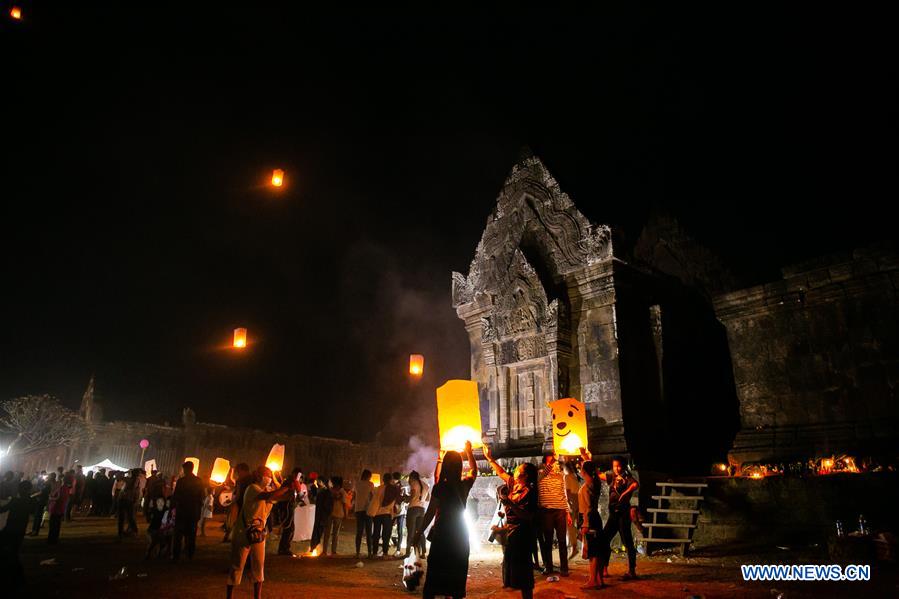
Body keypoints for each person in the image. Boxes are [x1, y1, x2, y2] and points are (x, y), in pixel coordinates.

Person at [412, 440, 478, 599]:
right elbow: (474, 471)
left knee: (435, 578)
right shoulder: (464, 486)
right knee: (456, 578)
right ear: (459, 467)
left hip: (442, 534)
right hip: (460, 535)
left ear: (446, 467)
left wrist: (419, 532)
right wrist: (469, 451)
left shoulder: (439, 487)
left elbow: (430, 513)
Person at [226, 466, 299, 599]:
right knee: (237, 565)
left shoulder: (267, 490)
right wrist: (285, 486)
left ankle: (257, 597)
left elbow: (283, 497)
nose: (270, 478)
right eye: (268, 475)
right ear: (259, 476)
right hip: (243, 532)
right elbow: (271, 495)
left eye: (271, 475)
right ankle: (229, 596)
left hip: (259, 533)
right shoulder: (252, 489)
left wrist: (294, 488)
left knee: (259, 566)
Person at [481, 444, 537, 599]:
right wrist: (489, 458)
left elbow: (528, 516)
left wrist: (510, 504)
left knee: (524, 572)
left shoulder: (529, 492)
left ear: (525, 475)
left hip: (523, 534)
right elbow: (501, 472)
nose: (516, 469)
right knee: (512, 569)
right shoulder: (513, 483)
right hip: (511, 532)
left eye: (520, 468)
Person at [596, 454, 639, 580]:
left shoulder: (627, 477)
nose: (617, 468)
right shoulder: (612, 477)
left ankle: (632, 571)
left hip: (623, 515)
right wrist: (585, 456)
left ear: (624, 466)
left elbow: (635, 485)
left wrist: (625, 492)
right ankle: (604, 568)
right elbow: (599, 475)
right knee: (604, 539)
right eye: (615, 466)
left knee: (627, 542)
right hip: (613, 515)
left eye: (619, 466)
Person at [537, 452, 571, 576]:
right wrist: (551, 464)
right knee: (548, 541)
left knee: (562, 541)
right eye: (551, 462)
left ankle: (564, 568)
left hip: (560, 510)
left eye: (555, 462)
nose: (555, 464)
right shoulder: (540, 474)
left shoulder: (560, 476)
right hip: (546, 511)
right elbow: (542, 476)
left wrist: (567, 512)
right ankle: (549, 567)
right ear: (545, 463)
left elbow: (564, 494)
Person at [577, 458, 604, 590]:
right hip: (595, 518)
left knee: (592, 552)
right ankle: (599, 579)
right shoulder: (595, 483)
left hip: (590, 519)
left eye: (581, 467)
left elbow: (588, 508)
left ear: (584, 471)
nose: (579, 469)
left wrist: (585, 524)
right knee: (596, 550)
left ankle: (593, 580)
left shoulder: (587, 487)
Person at [171, 460, 205, 560]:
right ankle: (190, 553)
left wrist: (172, 509)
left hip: (182, 511)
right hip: (193, 511)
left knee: (178, 534)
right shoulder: (199, 481)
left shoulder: (181, 481)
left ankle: (176, 555)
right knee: (191, 534)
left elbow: (176, 496)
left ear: (185, 469)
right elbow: (202, 496)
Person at [371, 470, 398, 558]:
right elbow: (397, 500)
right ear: (390, 480)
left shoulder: (378, 488)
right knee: (386, 534)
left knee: (376, 533)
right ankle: (385, 553)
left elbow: (374, 500)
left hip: (377, 514)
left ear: (383, 479)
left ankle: (374, 552)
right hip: (387, 514)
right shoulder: (394, 489)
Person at [404, 470, 429, 558]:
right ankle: (422, 553)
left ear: (412, 477)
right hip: (422, 509)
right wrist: (420, 499)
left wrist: (407, 499)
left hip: (413, 509)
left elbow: (412, 495)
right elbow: (428, 498)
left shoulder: (414, 483)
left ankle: (407, 553)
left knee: (411, 531)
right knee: (420, 532)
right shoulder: (425, 485)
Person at [324, 476, 349, 556]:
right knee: (335, 534)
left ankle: (325, 551)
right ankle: (333, 551)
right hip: (338, 514)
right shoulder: (343, 492)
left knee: (327, 533)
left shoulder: (330, 491)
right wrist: (346, 514)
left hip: (330, 513)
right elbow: (345, 504)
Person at [353, 469, 375, 559]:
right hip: (367, 509)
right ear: (368, 476)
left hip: (358, 509)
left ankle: (357, 552)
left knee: (359, 531)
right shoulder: (370, 484)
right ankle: (370, 552)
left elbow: (355, 495)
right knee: (369, 532)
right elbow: (372, 496)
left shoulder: (357, 484)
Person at [309, 475, 333, 554]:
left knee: (320, 530)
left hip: (323, 514)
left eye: (319, 481)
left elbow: (327, 505)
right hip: (319, 514)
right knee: (317, 530)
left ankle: (318, 547)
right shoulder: (320, 491)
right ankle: (314, 546)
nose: (318, 483)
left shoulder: (326, 492)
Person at [563, 461, 581, 560]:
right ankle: (579, 541)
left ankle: (574, 547)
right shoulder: (575, 476)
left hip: (571, 501)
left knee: (569, 525)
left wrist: (567, 504)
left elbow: (567, 492)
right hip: (577, 501)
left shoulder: (566, 477)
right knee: (573, 525)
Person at [47, 474, 72, 544]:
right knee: (57, 525)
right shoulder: (67, 488)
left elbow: (58, 498)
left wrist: (51, 498)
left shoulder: (62, 488)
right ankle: (54, 539)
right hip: (61, 509)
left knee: (53, 525)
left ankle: (51, 540)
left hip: (56, 508)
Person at [117, 470, 140, 539]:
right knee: (128, 517)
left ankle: (122, 532)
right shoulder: (134, 480)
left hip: (126, 499)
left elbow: (118, 477)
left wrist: (125, 472)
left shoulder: (131, 480)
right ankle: (131, 531)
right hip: (127, 500)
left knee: (125, 517)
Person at [30, 472, 53, 536]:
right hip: (40, 501)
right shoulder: (45, 483)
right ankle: (33, 530)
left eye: (46, 476)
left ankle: (35, 531)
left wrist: (32, 496)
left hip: (42, 501)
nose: (44, 477)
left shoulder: (47, 484)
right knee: (36, 516)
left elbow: (41, 492)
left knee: (38, 516)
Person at [391, 472, 408, 556]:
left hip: (394, 510)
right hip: (400, 510)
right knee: (399, 530)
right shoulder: (403, 486)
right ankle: (397, 548)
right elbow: (406, 498)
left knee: (390, 529)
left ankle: (395, 547)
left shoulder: (393, 486)